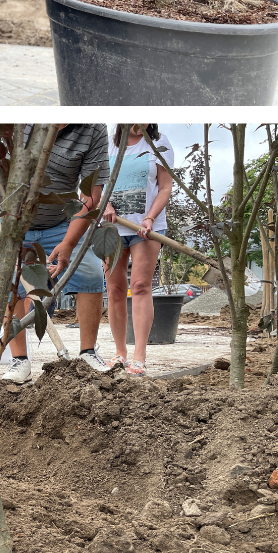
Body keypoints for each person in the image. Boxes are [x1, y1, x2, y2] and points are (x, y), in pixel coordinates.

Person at [0, 124, 111, 383]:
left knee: (89, 273)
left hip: (62, 221)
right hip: (10, 222)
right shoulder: (19, 118)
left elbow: (90, 196)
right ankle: (19, 360)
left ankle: (88, 353)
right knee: (9, 286)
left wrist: (68, 243)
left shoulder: (93, 128)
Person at [104, 124, 175, 377]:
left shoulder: (159, 143)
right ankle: (119, 353)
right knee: (114, 289)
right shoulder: (107, 143)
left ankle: (139, 357)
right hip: (111, 228)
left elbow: (165, 187)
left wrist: (150, 218)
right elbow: (95, 183)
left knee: (142, 285)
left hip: (146, 228)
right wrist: (106, 204)